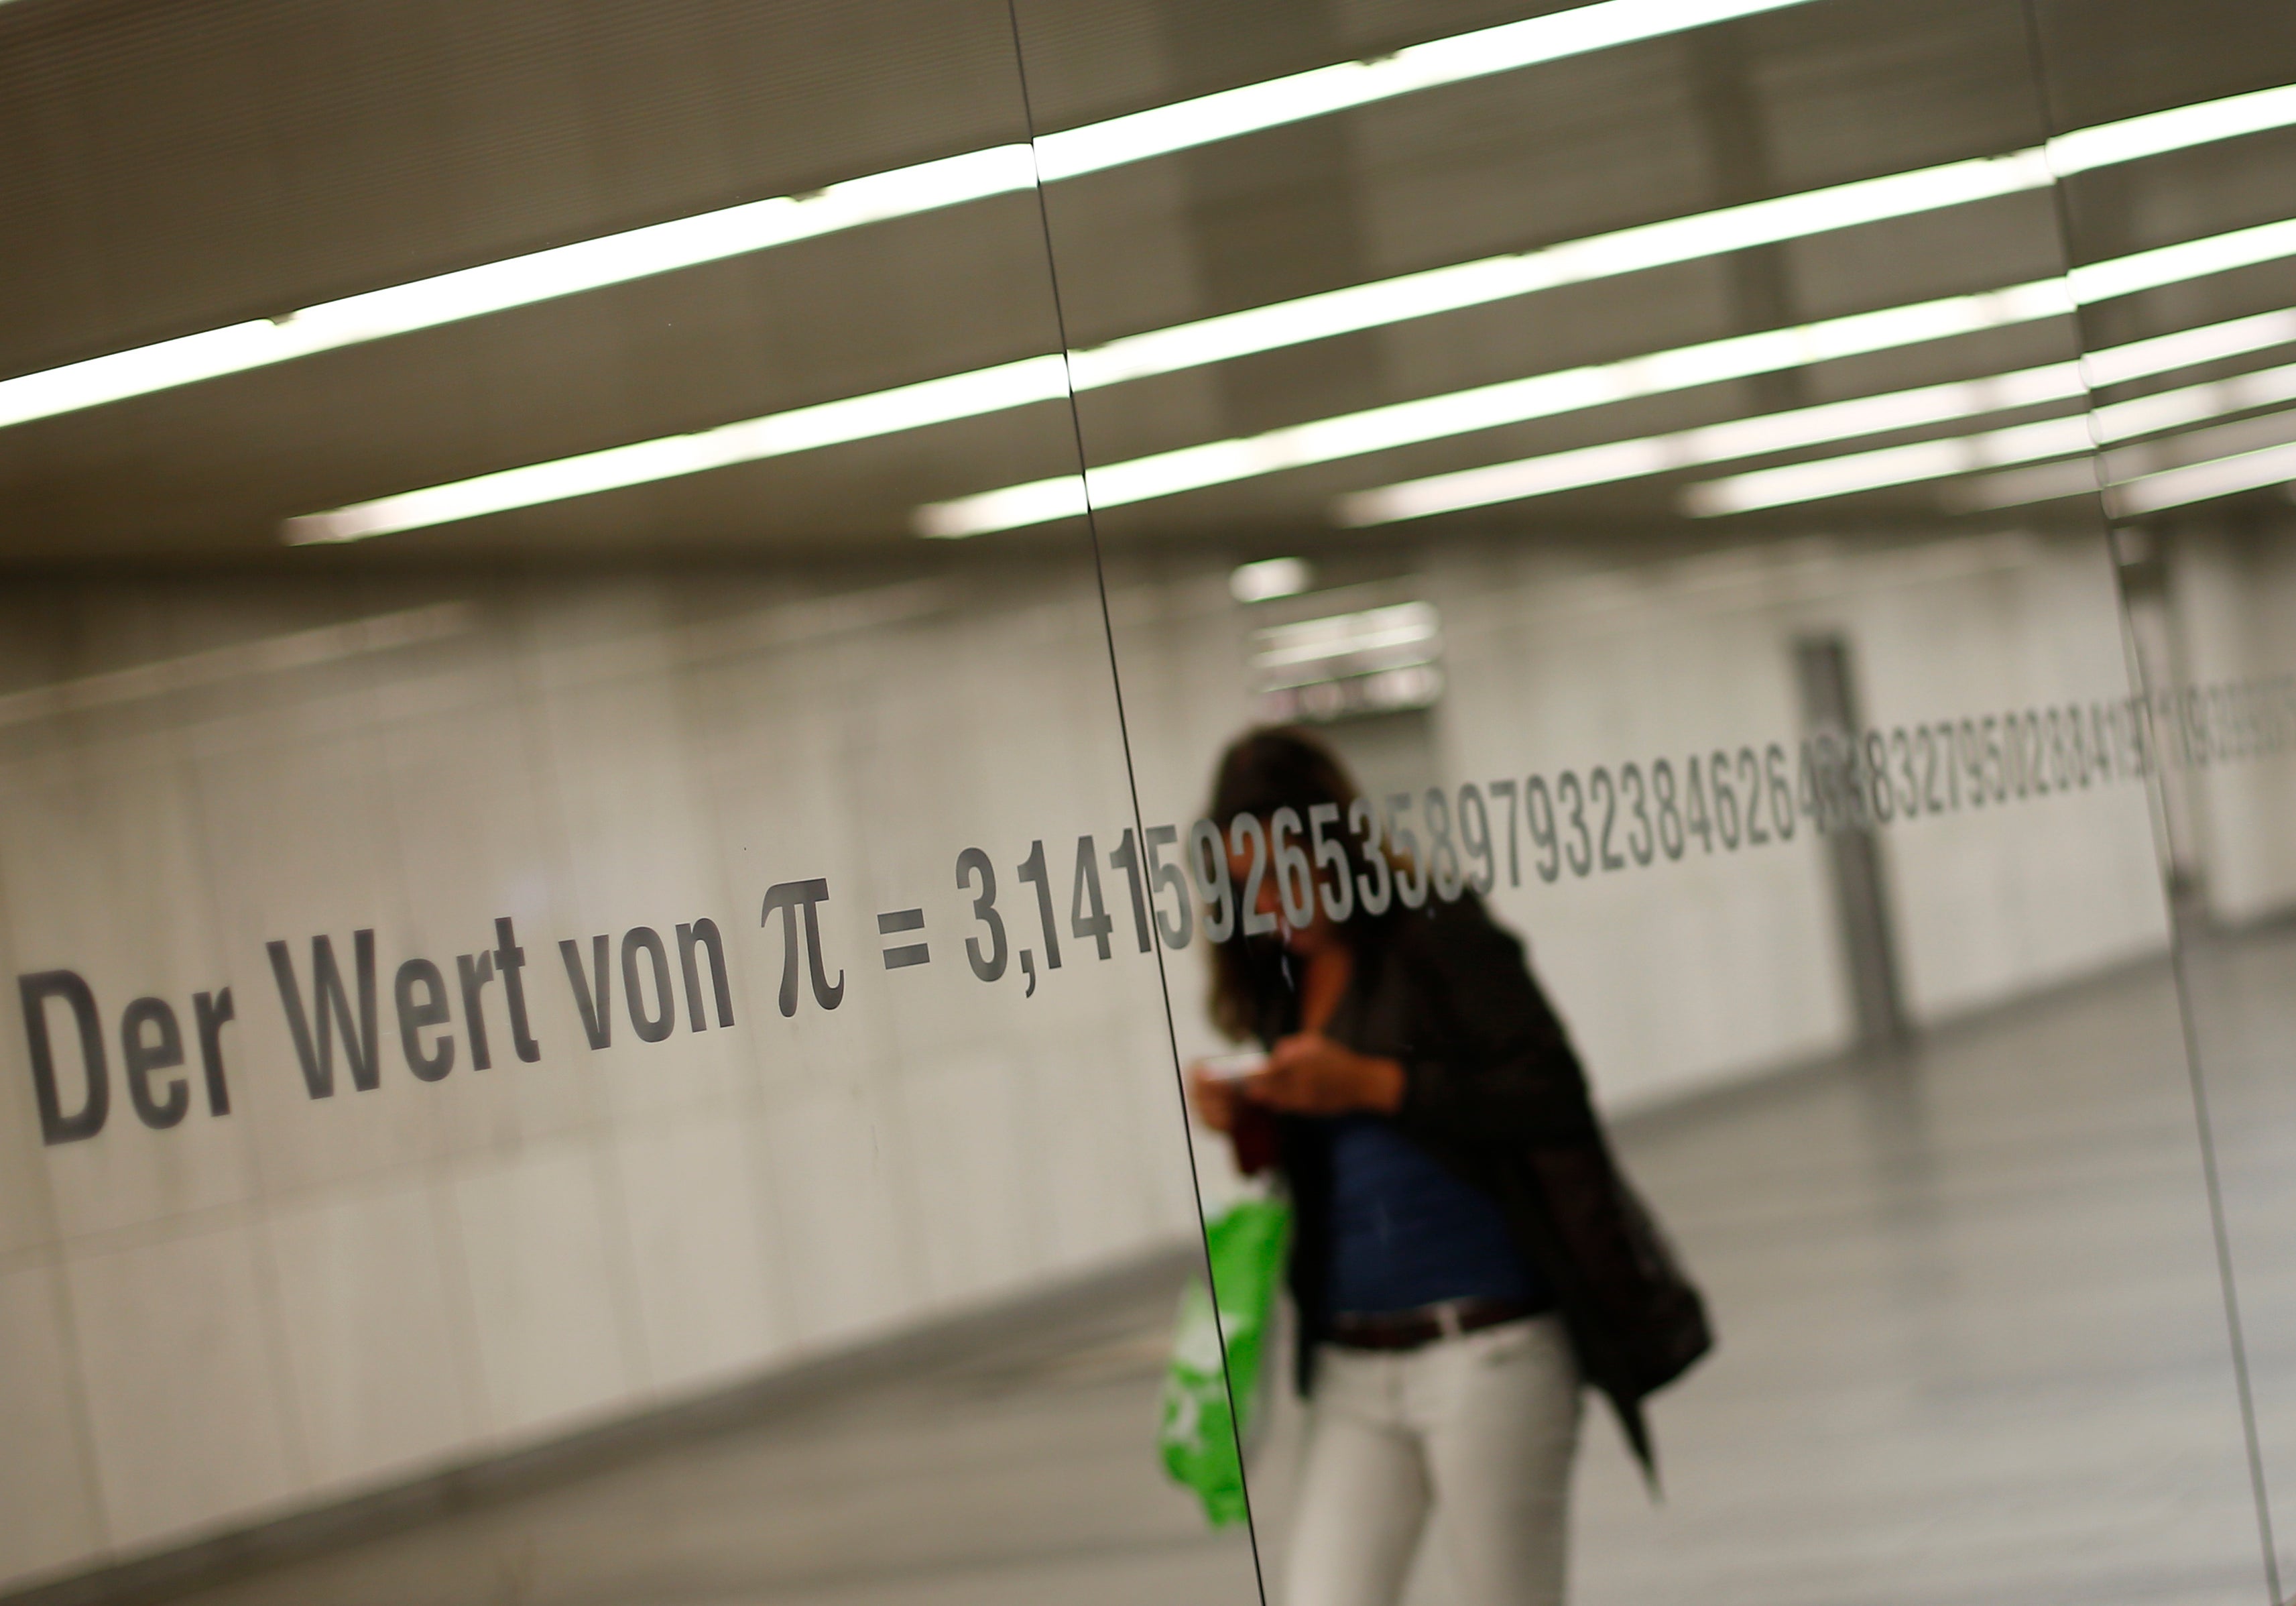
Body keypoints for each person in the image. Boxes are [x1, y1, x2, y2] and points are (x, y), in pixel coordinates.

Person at [1187, 728, 1709, 1606]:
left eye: (1286, 877)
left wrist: (1372, 1081)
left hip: (1489, 1354)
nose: (1273, 907)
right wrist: (1250, 1119)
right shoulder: (1281, 980)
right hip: (1354, 1366)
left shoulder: (1437, 933)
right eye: (1250, 891)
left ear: (1334, 846)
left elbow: (1547, 1093)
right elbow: (1335, 1160)